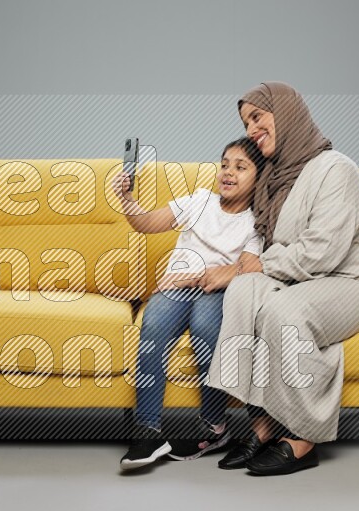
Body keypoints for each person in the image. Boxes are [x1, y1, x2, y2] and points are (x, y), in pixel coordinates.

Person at [207, 82, 359, 476]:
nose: (251, 129)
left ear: (287, 113)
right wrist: (240, 270)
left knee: (283, 311)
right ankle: (263, 423)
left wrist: (255, 265)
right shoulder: (274, 177)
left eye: (258, 116)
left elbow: (323, 251)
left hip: (352, 281)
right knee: (243, 291)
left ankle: (304, 437)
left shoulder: (337, 169)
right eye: (245, 122)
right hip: (300, 279)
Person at [113, 137, 265, 470]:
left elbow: (249, 266)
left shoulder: (256, 221)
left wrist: (189, 277)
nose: (228, 172)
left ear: (259, 178)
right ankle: (147, 429)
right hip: (178, 289)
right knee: (153, 323)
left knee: (205, 326)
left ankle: (214, 427)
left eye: (240, 167)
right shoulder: (200, 201)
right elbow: (146, 222)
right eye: (224, 165)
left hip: (219, 290)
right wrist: (126, 198)